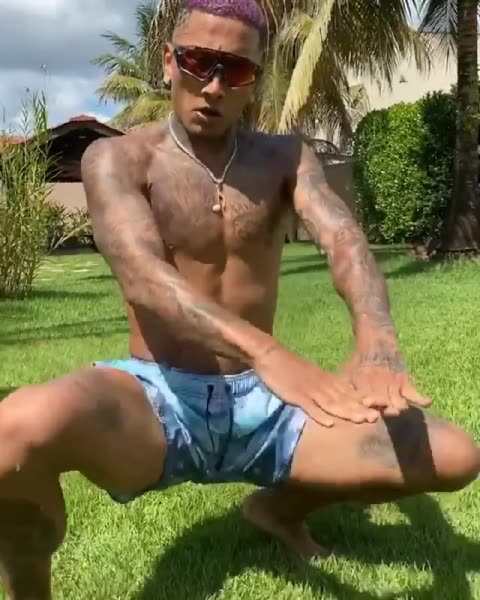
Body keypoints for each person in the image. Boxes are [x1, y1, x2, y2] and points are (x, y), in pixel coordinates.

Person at [1, 0, 479, 597]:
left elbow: (343, 238)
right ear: (168, 61)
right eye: (198, 61)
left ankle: (276, 510)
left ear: (255, 78)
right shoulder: (117, 158)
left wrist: (377, 340)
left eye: (236, 69)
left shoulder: (285, 158)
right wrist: (267, 352)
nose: (214, 85)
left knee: (455, 455)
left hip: (265, 404)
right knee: (14, 428)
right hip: (159, 397)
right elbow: (144, 277)